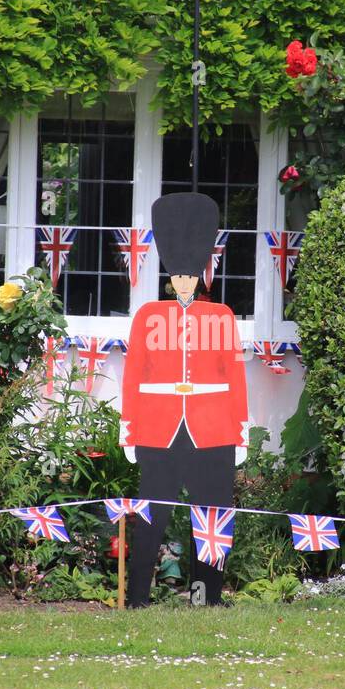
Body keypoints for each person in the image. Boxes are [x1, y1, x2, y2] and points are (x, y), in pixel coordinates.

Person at [120, 192, 250, 607]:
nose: (184, 284)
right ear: (169, 278)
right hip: (159, 430)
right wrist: (129, 429)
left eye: (190, 278)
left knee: (211, 516)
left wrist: (240, 429)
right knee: (151, 516)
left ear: (200, 277)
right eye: (178, 278)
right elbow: (134, 373)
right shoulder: (148, 316)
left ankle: (206, 597)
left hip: (212, 431)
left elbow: (235, 374)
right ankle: (138, 596)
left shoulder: (222, 316)